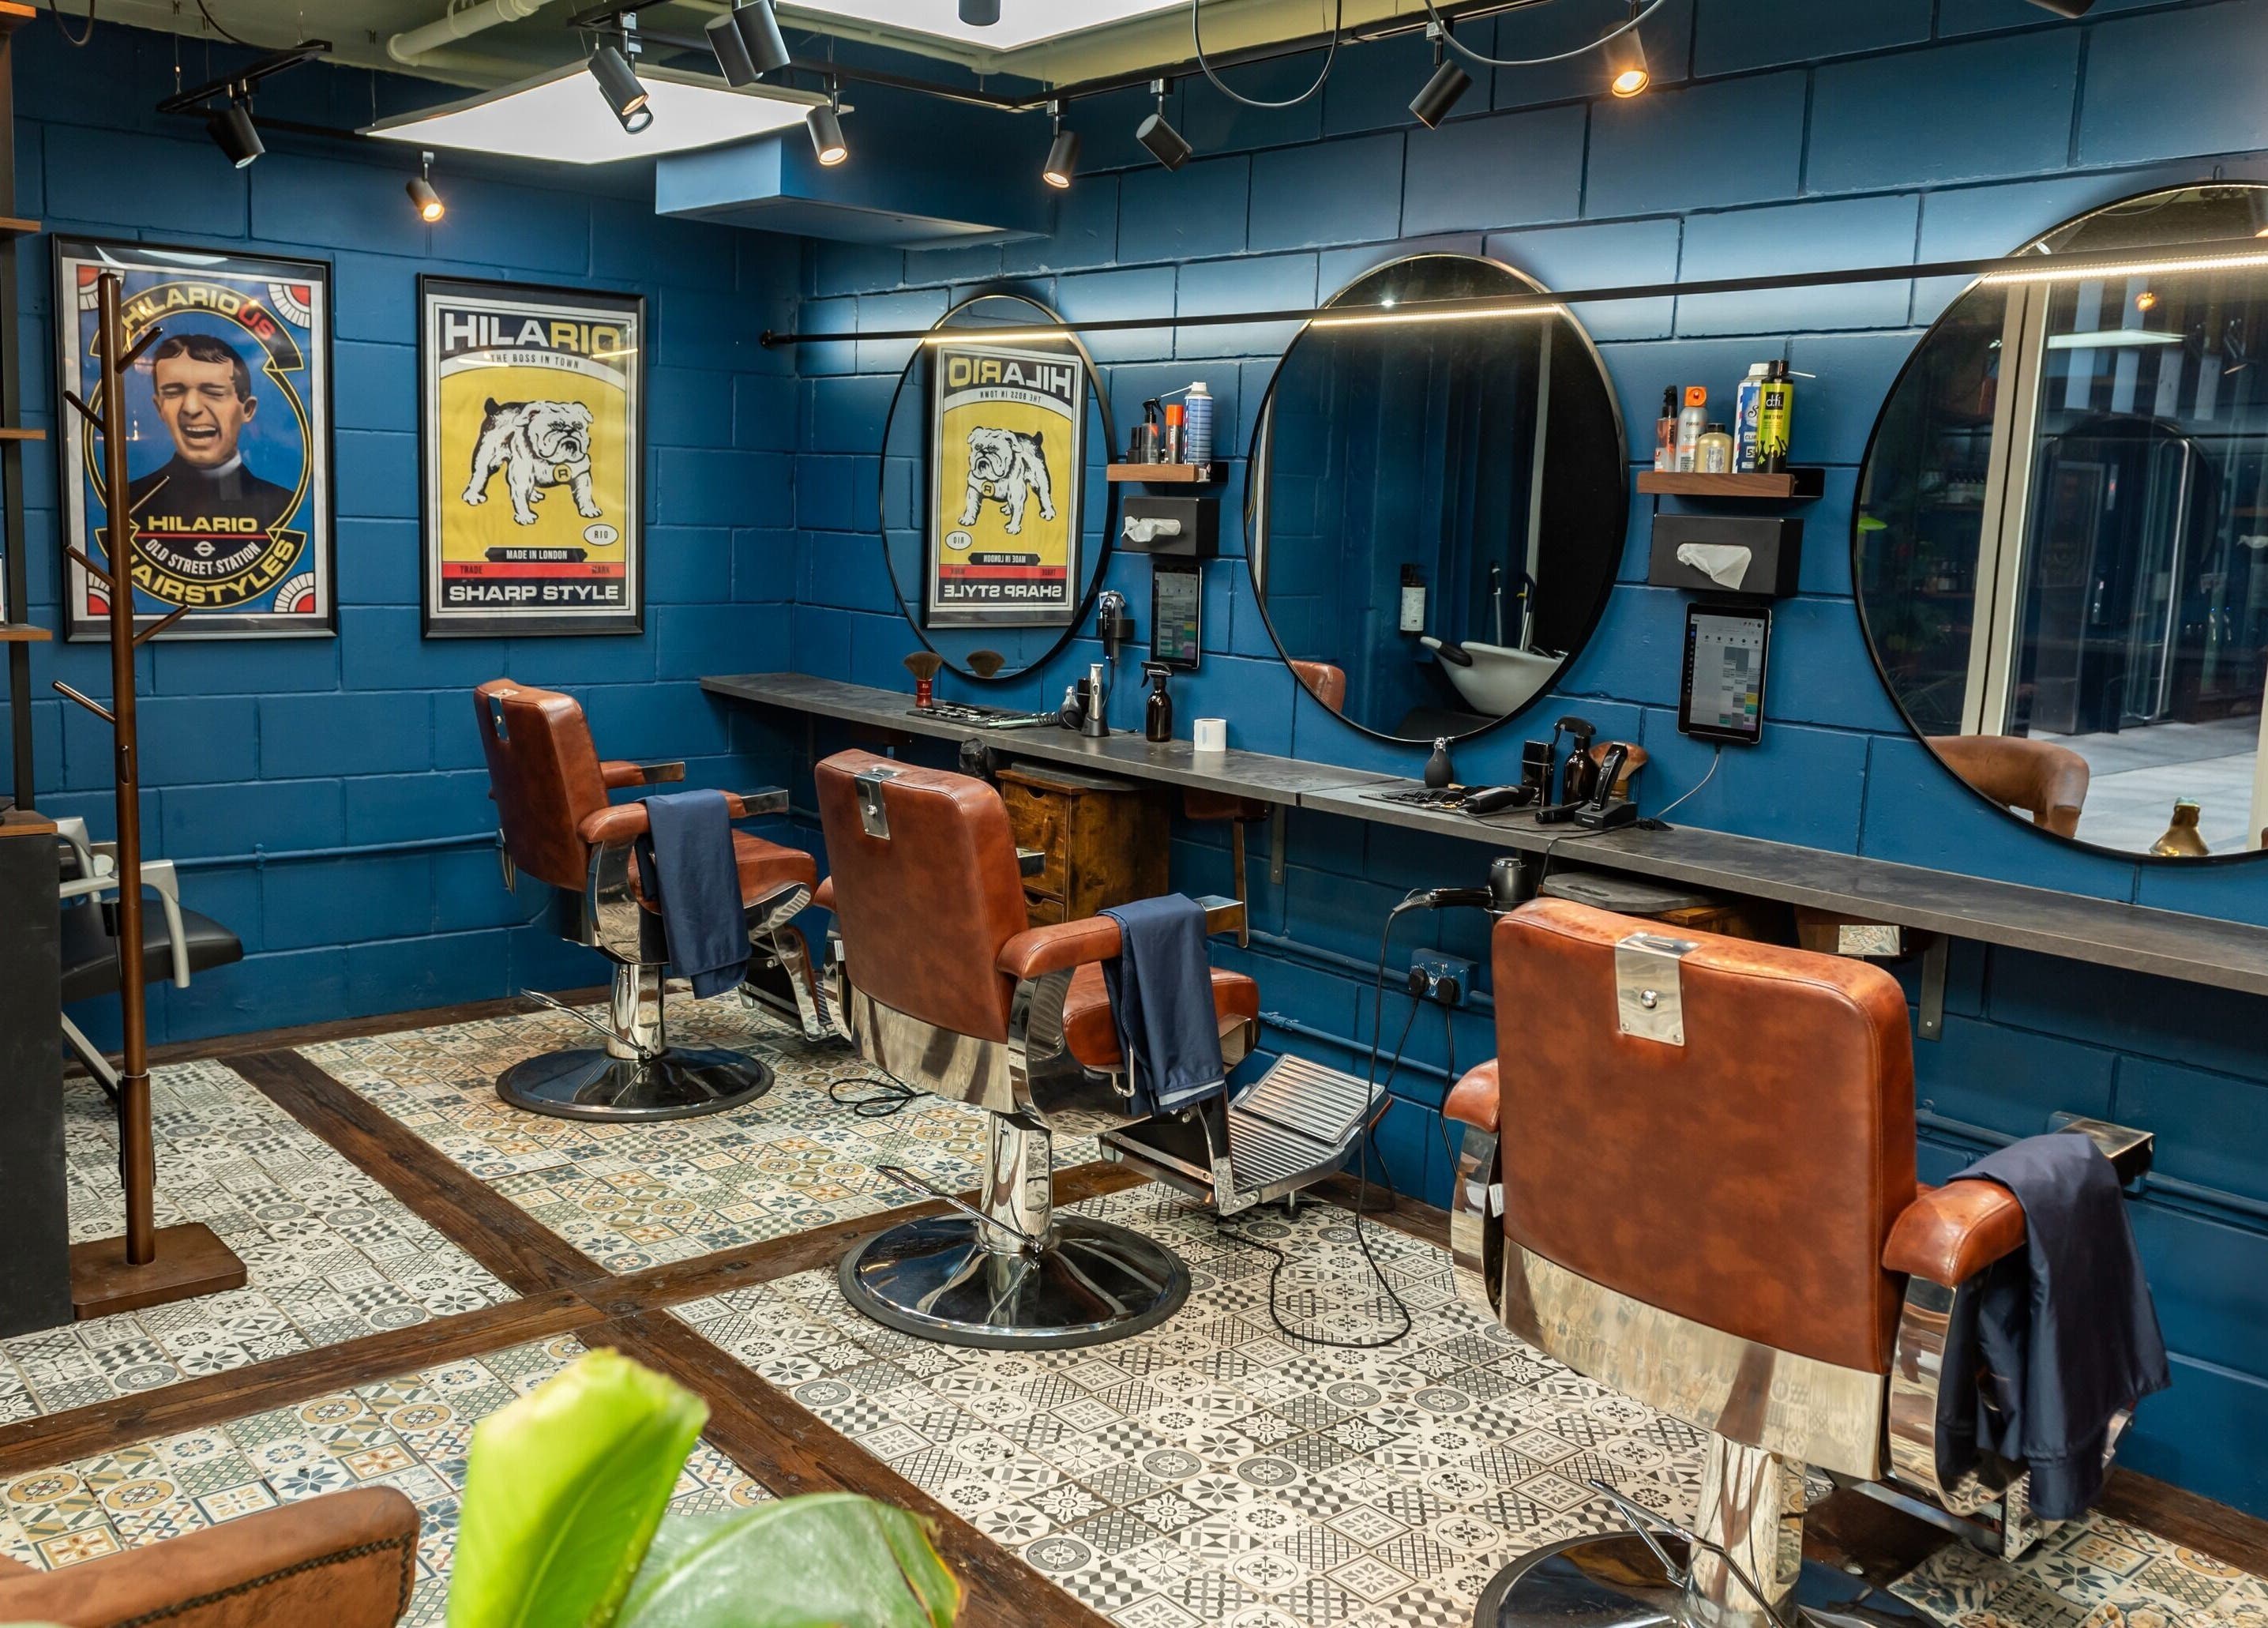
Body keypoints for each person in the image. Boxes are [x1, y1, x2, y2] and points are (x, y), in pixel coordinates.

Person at [125, 333, 295, 533]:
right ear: (159, 407)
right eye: (173, 392)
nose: (191, 408)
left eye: (213, 393)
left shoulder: (283, 506)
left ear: (247, 409)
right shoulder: (128, 503)